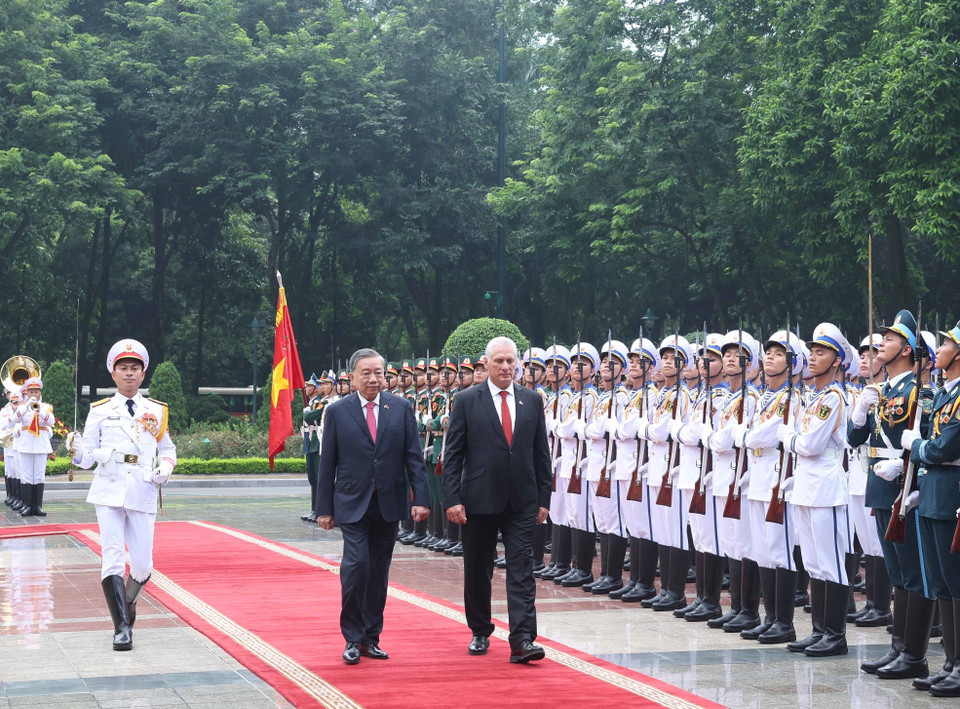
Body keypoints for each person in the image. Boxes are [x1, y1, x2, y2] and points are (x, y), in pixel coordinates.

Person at [316, 348, 430, 665]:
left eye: (378, 372)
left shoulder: (401, 408)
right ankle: (351, 638)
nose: (373, 378)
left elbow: (413, 457)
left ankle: (370, 638)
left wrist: (420, 498)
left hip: (388, 503)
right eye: (366, 373)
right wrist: (323, 508)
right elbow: (328, 464)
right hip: (352, 503)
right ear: (353, 378)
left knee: (378, 572)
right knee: (356, 567)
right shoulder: (338, 412)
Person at [442, 336, 552, 663]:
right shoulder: (466, 400)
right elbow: (453, 455)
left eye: (510, 361)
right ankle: (479, 629)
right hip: (478, 500)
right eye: (499, 361)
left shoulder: (531, 400)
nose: (506, 367)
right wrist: (452, 499)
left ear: (517, 364)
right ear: (486, 363)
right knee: (478, 568)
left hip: (522, 500)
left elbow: (540, 453)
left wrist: (543, 498)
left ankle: (522, 640)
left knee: (522, 569)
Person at [68, 339, 176, 650]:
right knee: (112, 557)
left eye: (134, 368)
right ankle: (121, 628)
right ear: (113, 374)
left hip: (142, 487)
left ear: (143, 374)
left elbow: (168, 450)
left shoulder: (155, 410)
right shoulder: (100, 411)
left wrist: (165, 469)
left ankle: (126, 605)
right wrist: (75, 452)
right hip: (109, 487)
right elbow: (87, 457)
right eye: (122, 368)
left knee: (142, 565)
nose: (129, 374)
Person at [904, 320, 960, 696]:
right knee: (941, 582)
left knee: (956, 583)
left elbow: (943, 448)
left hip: (951, 494)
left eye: (945, 345)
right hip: (934, 493)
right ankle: (951, 662)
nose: (937, 351)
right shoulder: (944, 393)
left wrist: (916, 446)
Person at [12, 376, 55, 517]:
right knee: (26, 476)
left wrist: (39, 411)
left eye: (36, 392)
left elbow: (51, 422)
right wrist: (26, 407)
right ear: (26, 393)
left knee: (38, 476)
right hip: (25, 445)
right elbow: (14, 420)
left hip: (41, 445)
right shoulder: (21, 408)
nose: (34, 394)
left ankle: (38, 506)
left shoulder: (46, 407)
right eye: (31, 392)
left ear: (40, 393)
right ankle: (27, 506)